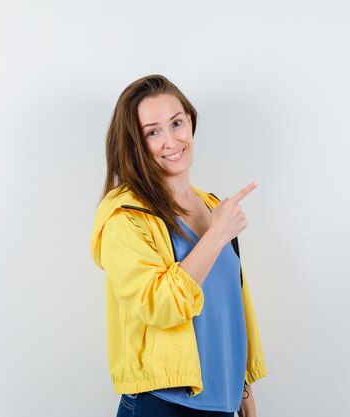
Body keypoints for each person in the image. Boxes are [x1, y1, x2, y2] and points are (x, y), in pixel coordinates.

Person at [90, 74, 267, 417]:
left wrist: (242, 387)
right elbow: (159, 306)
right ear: (134, 144)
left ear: (190, 121)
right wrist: (216, 235)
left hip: (222, 403)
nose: (171, 140)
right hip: (164, 404)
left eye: (176, 123)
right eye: (152, 132)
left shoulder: (212, 205)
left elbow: (225, 306)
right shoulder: (123, 217)